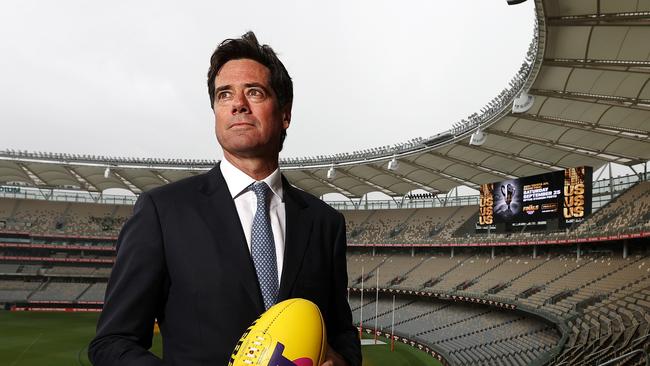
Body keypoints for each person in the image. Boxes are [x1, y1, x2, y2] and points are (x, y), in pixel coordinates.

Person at [88, 31, 361, 366]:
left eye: (254, 92)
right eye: (224, 95)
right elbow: (112, 343)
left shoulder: (324, 223)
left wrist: (341, 361)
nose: (237, 104)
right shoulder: (163, 212)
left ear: (285, 113)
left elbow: (343, 336)